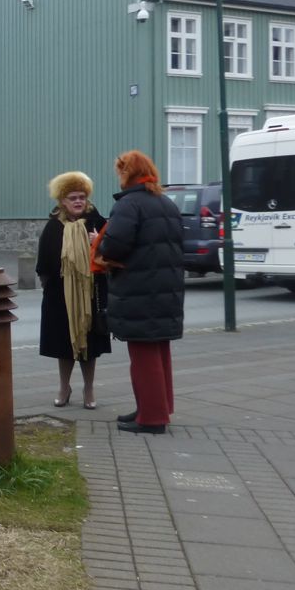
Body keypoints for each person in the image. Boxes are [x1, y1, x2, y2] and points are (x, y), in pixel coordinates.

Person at [96, 150, 184, 435]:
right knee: (159, 352)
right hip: (165, 288)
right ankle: (155, 407)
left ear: (127, 173)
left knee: (144, 355)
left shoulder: (129, 204)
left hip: (139, 289)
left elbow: (115, 245)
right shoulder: (167, 203)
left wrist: (100, 246)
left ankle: (152, 418)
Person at [36, 171, 110, 410]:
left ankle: (89, 389)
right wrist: (55, 288)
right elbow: (43, 264)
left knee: (91, 343)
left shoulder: (98, 223)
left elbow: (113, 254)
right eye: (72, 198)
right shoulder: (53, 226)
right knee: (63, 343)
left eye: (82, 197)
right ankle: (64, 387)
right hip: (60, 295)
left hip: (93, 293)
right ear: (62, 201)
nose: (78, 201)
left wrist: (98, 242)